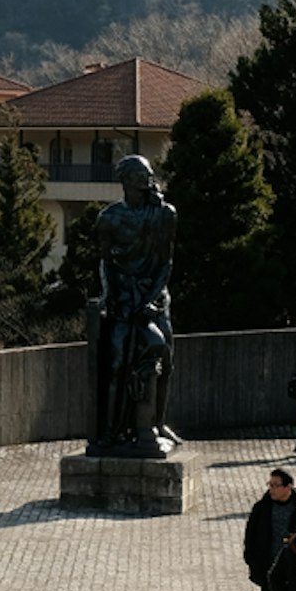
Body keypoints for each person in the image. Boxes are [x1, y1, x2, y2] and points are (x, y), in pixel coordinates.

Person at [92, 154, 180, 455]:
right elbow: (105, 264)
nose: (150, 179)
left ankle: (157, 422)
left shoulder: (165, 214)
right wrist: (109, 295)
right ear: (127, 180)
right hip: (124, 297)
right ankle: (112, 429)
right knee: (117, 364)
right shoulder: (109, 218)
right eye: (143, 174)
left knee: (164, 359)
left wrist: (152, 300)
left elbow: (166, 264)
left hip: (154, 294)